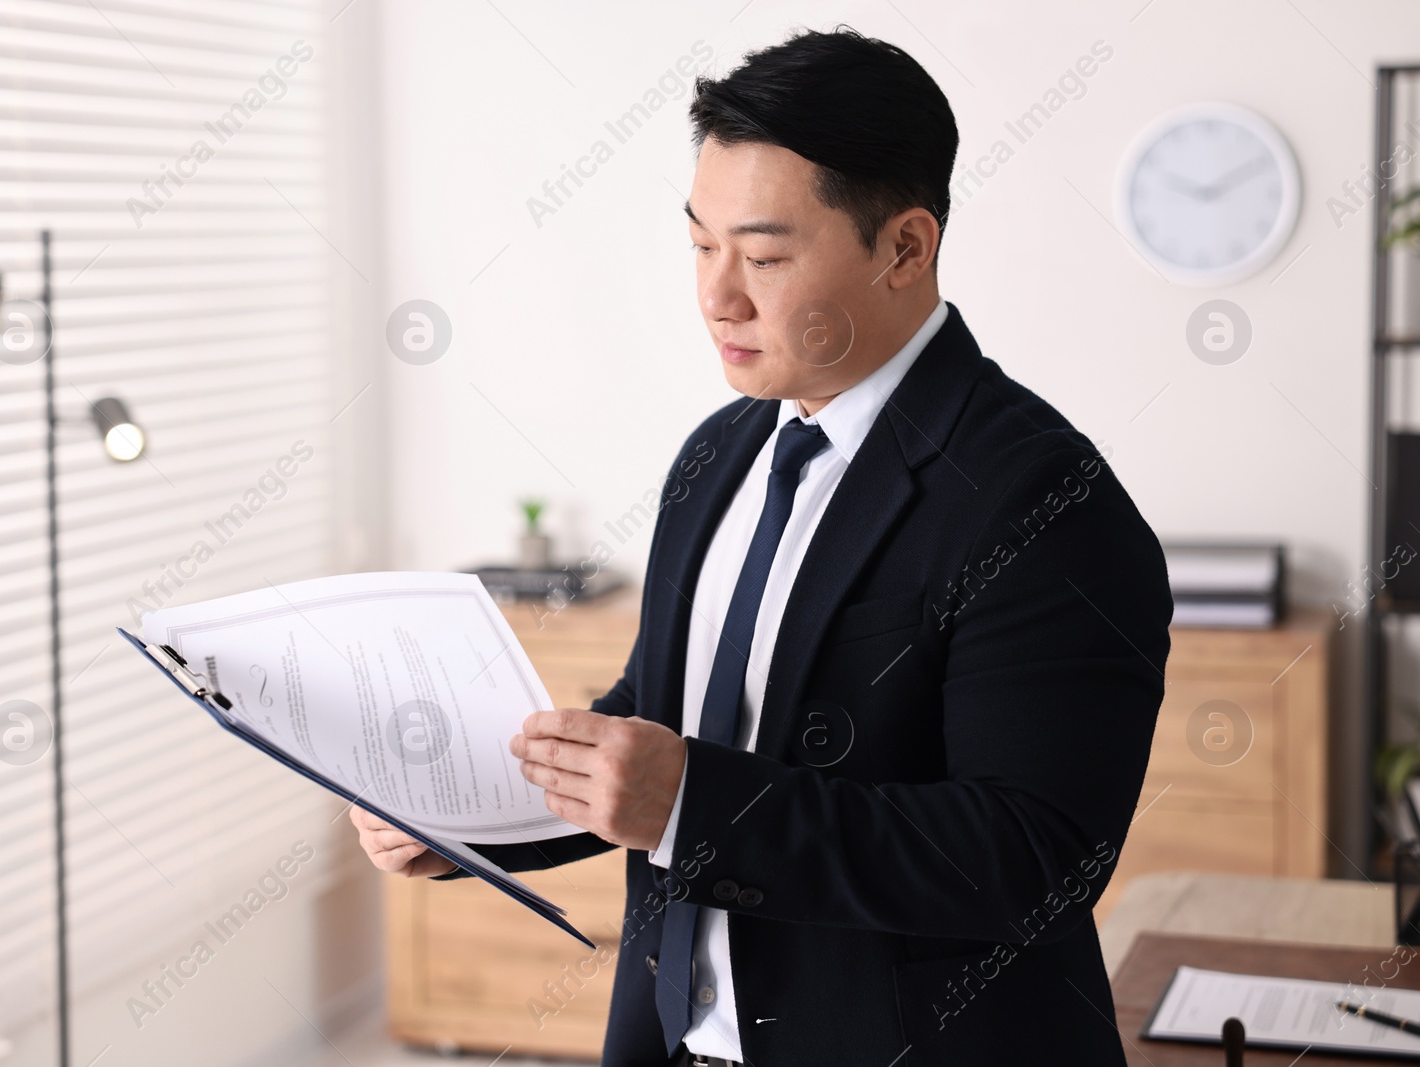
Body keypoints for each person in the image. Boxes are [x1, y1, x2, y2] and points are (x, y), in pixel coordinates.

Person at [353, 27, 1170, 1067]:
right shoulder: (722, 450)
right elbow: (664, 718)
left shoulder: (1042, 496)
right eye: (701, 245)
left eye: (765, 256)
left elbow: (1025, 856)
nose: (716, 297)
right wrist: (468, 819)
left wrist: (693, 801)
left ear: (904, 247)